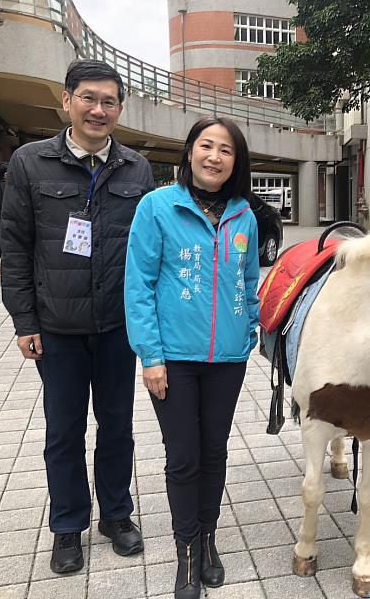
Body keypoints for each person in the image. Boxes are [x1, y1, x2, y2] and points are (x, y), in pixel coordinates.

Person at [0, 59, 155, 575]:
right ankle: (68, 524)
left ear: (119, 109)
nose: (98, 109)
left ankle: (116, 514)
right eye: (88, 98)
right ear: (66, 101)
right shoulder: (29, 162)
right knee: (62, 431)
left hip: (117, 327)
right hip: (57, 330)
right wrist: (25, 321)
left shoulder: (137, 168)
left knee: (117, 427)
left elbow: (146, 252)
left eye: (109, 101)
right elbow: (15, 246)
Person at [124, 116, 259, 599]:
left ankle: (208, 540)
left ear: (235, 162)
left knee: (214, 452)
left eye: (226, 150)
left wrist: (249, 331)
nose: (215, 156)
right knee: (183, 458)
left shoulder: (244, 214)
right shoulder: (157, 207)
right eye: (207, 145)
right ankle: (185, 555)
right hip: (173, 360)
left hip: (227, 361)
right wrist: (150, 356)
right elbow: (138, 286)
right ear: (189, 152)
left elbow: (248, 280)